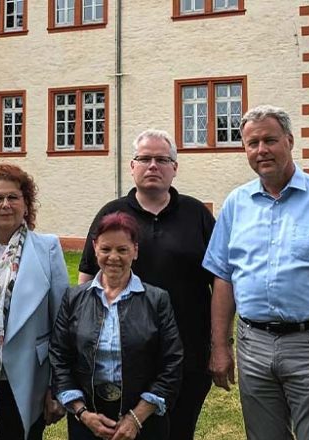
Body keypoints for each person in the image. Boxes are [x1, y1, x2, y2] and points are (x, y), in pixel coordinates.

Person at [203, 105, 309, 440]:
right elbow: (223, 277)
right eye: (252, 143)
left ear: (290, 141)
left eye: (270, 140)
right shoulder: (236, 204)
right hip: (253, 345)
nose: (261, 150)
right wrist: (220, 346)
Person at [78, 129, 214, 440]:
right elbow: (86, 279)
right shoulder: (111, 215)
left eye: (162, 160)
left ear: (174, 168)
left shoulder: (197, 215)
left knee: (179, 432)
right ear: (132, 166)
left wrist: (220, 345)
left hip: (188, 355)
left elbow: (220, 283)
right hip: (121, 359)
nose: (153, 165)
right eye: (145, 159)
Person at [0, 164, 69, 440]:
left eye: (13, 197)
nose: (5, 204)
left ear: (26, 204)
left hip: (26, 379)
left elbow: (62, 324)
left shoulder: (48, 248)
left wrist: (57, 387)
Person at [52, 212, 183, 440]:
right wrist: (82, 413)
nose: (113, 257)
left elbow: (172, 362)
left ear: (135, 250)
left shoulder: (157, 300)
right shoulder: (73, 299)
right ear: (95, 248)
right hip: (87, 421)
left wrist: (136, 417)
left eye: (122, 250)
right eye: (106, 249)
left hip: (145, 422)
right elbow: (59, 357)